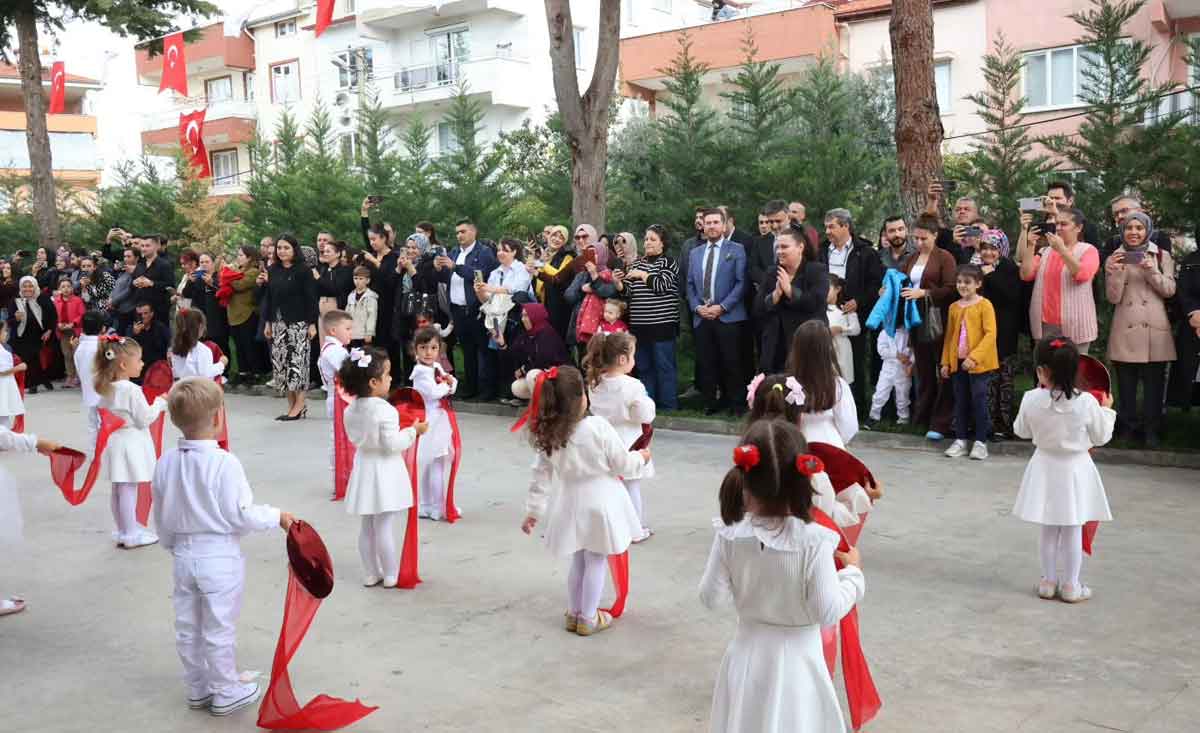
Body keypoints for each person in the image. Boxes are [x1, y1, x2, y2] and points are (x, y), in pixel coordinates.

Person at [700, 418, 864, 733]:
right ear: (804, 476)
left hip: (746, 658)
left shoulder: (730, 534)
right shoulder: (813, 540)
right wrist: (853, 576)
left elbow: (710, 597)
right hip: (798, 667)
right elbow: (826, 610)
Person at [152, 376, 296, 715]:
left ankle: (197, 687)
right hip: (218, 556)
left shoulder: (165, 462)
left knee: (188, 625)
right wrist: (277, 516)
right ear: (218, 417)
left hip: (183, 556)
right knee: (219, 626)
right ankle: (226, 688)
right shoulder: (224, 463)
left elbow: (161, 511)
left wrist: (170, 543)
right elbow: (240, 514)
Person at [519, 366, 650, 636]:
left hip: (568, 502)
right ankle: (589, 617)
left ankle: (574, 612)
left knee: (578, 560)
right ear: (581, 399)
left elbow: (540, 475)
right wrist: (642, 458)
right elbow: (622, 463)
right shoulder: (597, 427)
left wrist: (534, 511)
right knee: (596, 560)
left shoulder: (548, 433)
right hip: (600, 501)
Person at [1012, 337, 1114, 603]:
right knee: (1071, 528)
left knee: (1048, 528)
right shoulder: (1087, 403)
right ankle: (1071, 585)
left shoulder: (1031, 399)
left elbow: (1020, 430)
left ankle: (1048, 581)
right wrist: (1107, 411)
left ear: (1041, 372)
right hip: (1076, 469)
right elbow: (1101, 436)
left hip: (1044, 466)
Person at [339, 347, 428, 588]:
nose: (390, 378)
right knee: (384, 525)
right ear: (373, 382)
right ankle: (390, 574)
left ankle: (371, 572)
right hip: (384, 470)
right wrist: (413, 431)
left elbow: (355, 438)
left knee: (367, 525)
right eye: (387, 374)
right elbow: (392, 444)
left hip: (364, 467)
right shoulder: (385, 410)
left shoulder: (349, 410)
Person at [1104, 211, 1176, 447]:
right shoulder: (1115, 256)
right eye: (1129, 228)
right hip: (1125, 327)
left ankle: (1152, 429)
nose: (1133, 233)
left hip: (1154, 329)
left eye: (1139, 228)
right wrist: (1114, 271)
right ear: (1122, 231)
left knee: (1155, 385)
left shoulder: (1161, 254)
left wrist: (1150, 270)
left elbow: (1169, 290)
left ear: (1147, 230)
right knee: (1126, 385)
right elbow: (1112, 298)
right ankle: (1127, 427)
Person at [95, 336, 166, 549]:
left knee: (119, 488)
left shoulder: (106, 387)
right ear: (124, 365)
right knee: (128, 488)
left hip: (115, 441)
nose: (142, 363)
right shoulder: (131, 390)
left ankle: (123, 529)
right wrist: (161, 403)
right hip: (131, 442)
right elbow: (144, 418)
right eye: (140, 359)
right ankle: (131, 533)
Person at [584, 331, 656, 543]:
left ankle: (610, 524)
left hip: (602, 442)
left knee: (608, 486)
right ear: (623, 359)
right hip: (628, 442)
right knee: (631, 486)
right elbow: (643, 415)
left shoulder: (594, 382)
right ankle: (635, 529)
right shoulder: (632, 385)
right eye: (633, 355)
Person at [902, 215, 958, 441]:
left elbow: (951, 288)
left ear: (935, 235)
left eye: (924, 238)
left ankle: (941, 421)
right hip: (915, 318)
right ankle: (922, 416)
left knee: (943, 369)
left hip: (937, 318)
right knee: (923, 370)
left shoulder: (945, 258)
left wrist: (925, 293)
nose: (919, 243)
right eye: (915, 238)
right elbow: (903, 281)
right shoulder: (912, 257)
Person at [818, 208, 882, 409]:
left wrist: (859, 301)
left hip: (853, 314)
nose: (827, 231)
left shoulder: (865, 252)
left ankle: (856, 407)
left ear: (846, 226)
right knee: (825, 360)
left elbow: (875, 283)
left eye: (832, 226)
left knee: (854, 362)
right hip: (825, 313)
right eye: (826, 227)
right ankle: (827, 404)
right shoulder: (821, 251)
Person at [688, 208, 750, 416]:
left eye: (716, 222)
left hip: (728, 316)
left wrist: (722, 307)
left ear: (724, 225)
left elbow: (742, 283)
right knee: (707, 362)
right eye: (708, 223)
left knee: (732, 361)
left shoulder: (737, 249)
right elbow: (689, 285)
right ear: (703, 226)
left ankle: (736, 404)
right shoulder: (695, 253)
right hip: (702, 316)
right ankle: (711, 403)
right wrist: (698, 307)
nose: (712, 226)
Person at [613, 224, 679, 410]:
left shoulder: (668, 262)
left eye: (653, 239)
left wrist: (642, 275)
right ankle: (647, 405)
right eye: (646, 239)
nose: (648, 242)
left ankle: (668, 406)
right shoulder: (637, 263)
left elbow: (661, 286)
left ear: (662, 243)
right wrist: (618, 283)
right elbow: (628, 292)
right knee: (644, 367)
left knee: (664, 367)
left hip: (662, 325)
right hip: (640, 325)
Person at [1019, 206, 1100, 353]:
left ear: (1079, 227)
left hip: (1076, 325)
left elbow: (1082, 274)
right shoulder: (1044, 251)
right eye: (1056, 224)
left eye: (1064, 224)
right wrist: (1031, 245)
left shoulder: (1088, 250)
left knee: (1075, 372)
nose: (1058, 228)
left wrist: (1062, 250)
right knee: (1048, 372)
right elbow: (1025, 275)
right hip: (1045, 325)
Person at [434, 219, 498, 401]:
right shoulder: (454, 252)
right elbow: (446, 278)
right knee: (467, 350)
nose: (459, 236)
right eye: (457, 233)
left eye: (463, 232)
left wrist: (455, 267)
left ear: (473, 232)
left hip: (477, 308)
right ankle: (470, 387)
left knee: (484, 350)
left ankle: (488, 390)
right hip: (458, 309)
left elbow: (478, 275)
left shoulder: (484, 252)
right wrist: (439, 269)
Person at [940, 264, 999, 461]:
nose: (962, 286)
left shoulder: (985, 305)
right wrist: (946, 362)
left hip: (978, 365)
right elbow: (949, 337)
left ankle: (981, 442)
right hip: (958, 363)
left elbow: (990, 335)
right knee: (960, 401)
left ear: (978, 284)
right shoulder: (954, 307)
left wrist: (974, 358)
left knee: (979, 401)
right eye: (959, 282)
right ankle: (961, 440)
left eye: (967, 282)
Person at [258, 234, 318, 421]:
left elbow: (311, 299)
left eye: (286, 248)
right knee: (281, 364)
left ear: (294, 250)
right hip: (277, 322)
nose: (282, 251)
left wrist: (312, 323)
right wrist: (267, 322)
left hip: (299, 322)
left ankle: (299, 405)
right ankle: (292, 405)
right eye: (279, 248)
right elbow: (269, 298)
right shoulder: (273, 269)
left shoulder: (303, 270)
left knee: (297, 363)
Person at [754, 230, 828, 374]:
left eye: (784, 247)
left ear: (800, 247)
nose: (779, 251)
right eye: (777, 247)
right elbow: (758, 309)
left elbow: (815, 303)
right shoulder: (772, 272)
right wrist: (775, 296)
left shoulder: (816, 270)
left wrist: (790, 291)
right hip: (775, 347)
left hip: (806, 344)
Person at [410, 326, 459, 521]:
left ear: (439, 349)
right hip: (429, 420)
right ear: (416, 350)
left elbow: (453, 381)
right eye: (423, 348)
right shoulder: (420, 372)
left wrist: (448, 383)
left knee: (434, 464)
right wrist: (445, 386)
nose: (428, 352)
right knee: (433, 464)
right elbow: (432, 392)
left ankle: (430, 504)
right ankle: (433, 506)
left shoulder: (436, 367)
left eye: (433, 348)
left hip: (439, 419)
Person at [785, 321, 858, 449]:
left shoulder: (788, 384)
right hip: (831, 446)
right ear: (828, 348)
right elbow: (849, 427)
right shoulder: (837, 385)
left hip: (796, 447)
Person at [979, 235, 1021, 439]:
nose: (988, 253)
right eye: (984, 248)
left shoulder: (1009, 268)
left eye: (993, 249)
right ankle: (984, 424)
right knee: (987, 382)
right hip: (982, 333)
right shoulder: (975, 267)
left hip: (1004, 333)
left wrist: (991, 276)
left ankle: (1003, 425)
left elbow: (1012, 296)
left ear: (1002, 249)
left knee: (1004, 381)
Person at [226, 246, 267, 383]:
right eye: (238, 255)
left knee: (249, 345)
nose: (238, 257)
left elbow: (239, 285)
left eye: (241, 255)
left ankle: (255, 373)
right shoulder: (238, 271)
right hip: (233, 314)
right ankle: (243, 372)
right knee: (239, 346)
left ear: (249, 257)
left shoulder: (253, 271)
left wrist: (227, 276)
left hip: (247, 313)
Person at [1167, 241, 1200, 410]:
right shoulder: (1191, 261)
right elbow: (1183, 291)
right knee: (1190, 373)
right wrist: (1194, 311)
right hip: (1195, 323)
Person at [10, 276, 56, 394]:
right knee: (25, 358)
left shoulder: (43, 298)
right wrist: (16, 318)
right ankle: (40, 380)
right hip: (20, 336)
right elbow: (10, 322)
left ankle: (33, 384)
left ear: (35, 286)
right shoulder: (16, 300)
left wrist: (49, 330)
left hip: (39, 334)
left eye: (30, 286)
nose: (27, 289)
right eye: (24, 286)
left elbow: (53, 316)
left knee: (33, 358)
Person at [532, 225, 576, 340]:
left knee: (555, 338)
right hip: (541, 301)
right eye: (554, 235)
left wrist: (542, 264)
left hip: (558, 304)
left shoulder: (568, 256)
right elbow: (535, 275)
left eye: (561, 238)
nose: (557, 239)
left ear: (565, 241)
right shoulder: (544, 253)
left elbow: (559, 275)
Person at [509, 304, 568, 384]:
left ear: (535, 316)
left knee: (532, 375)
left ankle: (545, 396)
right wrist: (502, 344)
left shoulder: (547, 333)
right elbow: (513, 353)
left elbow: (542, 362)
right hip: (539, 374)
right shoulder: (527, 334)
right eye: (522, 316)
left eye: (526, 316)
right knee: (517, 386)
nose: (523, 319)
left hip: (557, 377)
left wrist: (524, 369)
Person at [169, 309, 227, 381]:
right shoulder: (203, 350)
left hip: (181, 388)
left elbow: (176, 372)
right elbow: (206, 374)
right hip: (199, 390)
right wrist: (221, 364)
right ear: (200, 326)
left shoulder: (175, 348)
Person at [74, 311, 104, 447]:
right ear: (102, 328)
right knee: (105, 423)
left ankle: (94, 451)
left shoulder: (79, 348)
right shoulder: (102, 347)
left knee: (93, 423)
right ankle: (103, 450)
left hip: (88, 391)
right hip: (104, 392)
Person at [825, 274, 861, 387]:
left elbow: (856, 329)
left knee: (844, 382)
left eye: (828, 288)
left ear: (838, 289)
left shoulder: (845, 308)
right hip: (825, 350)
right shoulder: (819, 310)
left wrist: (841, 330)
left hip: (843, 349)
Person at [131, 234, 174, 323]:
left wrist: (152, 283)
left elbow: (170, 286)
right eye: (142, 246)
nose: (144, 249)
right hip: (140, 311)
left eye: (147, 246)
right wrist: (134, 283)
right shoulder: (139, 265)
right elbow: (131, 286)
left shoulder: (164, 265)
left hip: (158, 312)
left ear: (156, 246)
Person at [53, 278, 85, 388]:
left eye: (68, 286)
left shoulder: (77, 300)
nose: (66, 289)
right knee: (67, 355)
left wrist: (73, 323)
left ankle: (78, 376)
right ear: (59, 289)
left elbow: (82, 314)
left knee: (76, 353)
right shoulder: (56, 301)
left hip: (75, 331)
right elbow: (53, 316)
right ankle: (70, 376)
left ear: (72, 288)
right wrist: (58, 324)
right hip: (62, 332)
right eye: (63, 287)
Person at [128, 303, 170, 376]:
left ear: (152, 314)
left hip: (158, 368)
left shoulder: (160, 328)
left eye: (146, 313)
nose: (143, 316)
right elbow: (127, 349)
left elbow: (170, 342)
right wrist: (134, 334)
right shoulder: (131, 329)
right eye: (140, 314)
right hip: (140, 370)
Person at [346, 266, 378, 348]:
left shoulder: (371, 296)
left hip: (363, 334)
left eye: (361, 279)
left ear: (367, 280)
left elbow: (372, 316)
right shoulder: (351, 295)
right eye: (355, 278)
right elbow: (347, 315)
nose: (357, 281)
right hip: (352, 334)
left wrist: (369, 333)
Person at [0, 322, 25, 428]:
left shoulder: (4, 347)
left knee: (4, 417)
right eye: (4, 331)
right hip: (2, 384)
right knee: (3, 419)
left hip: (6, 384)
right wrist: (18, 368)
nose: (6, 333)